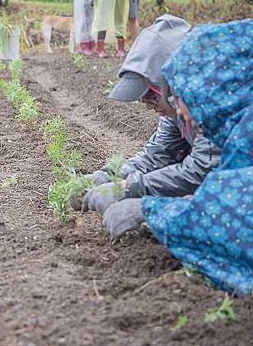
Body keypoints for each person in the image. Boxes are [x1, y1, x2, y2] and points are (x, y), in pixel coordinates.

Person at [108, 20, 253, 295]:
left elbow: (229, 208)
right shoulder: (227, 112)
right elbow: (164, 155)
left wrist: (147, 207)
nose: (150, 106)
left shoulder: (217, 110)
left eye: (157, 96)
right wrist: (114, 174)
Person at [80, 15, 221, 216]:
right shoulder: (176, 110)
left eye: (151, 96)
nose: (149, 107)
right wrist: (110, 175)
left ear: (172, 81)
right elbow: (158, 155)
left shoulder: (213, 100)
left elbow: (200, 172)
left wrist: (135, 195)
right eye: (143, 99)